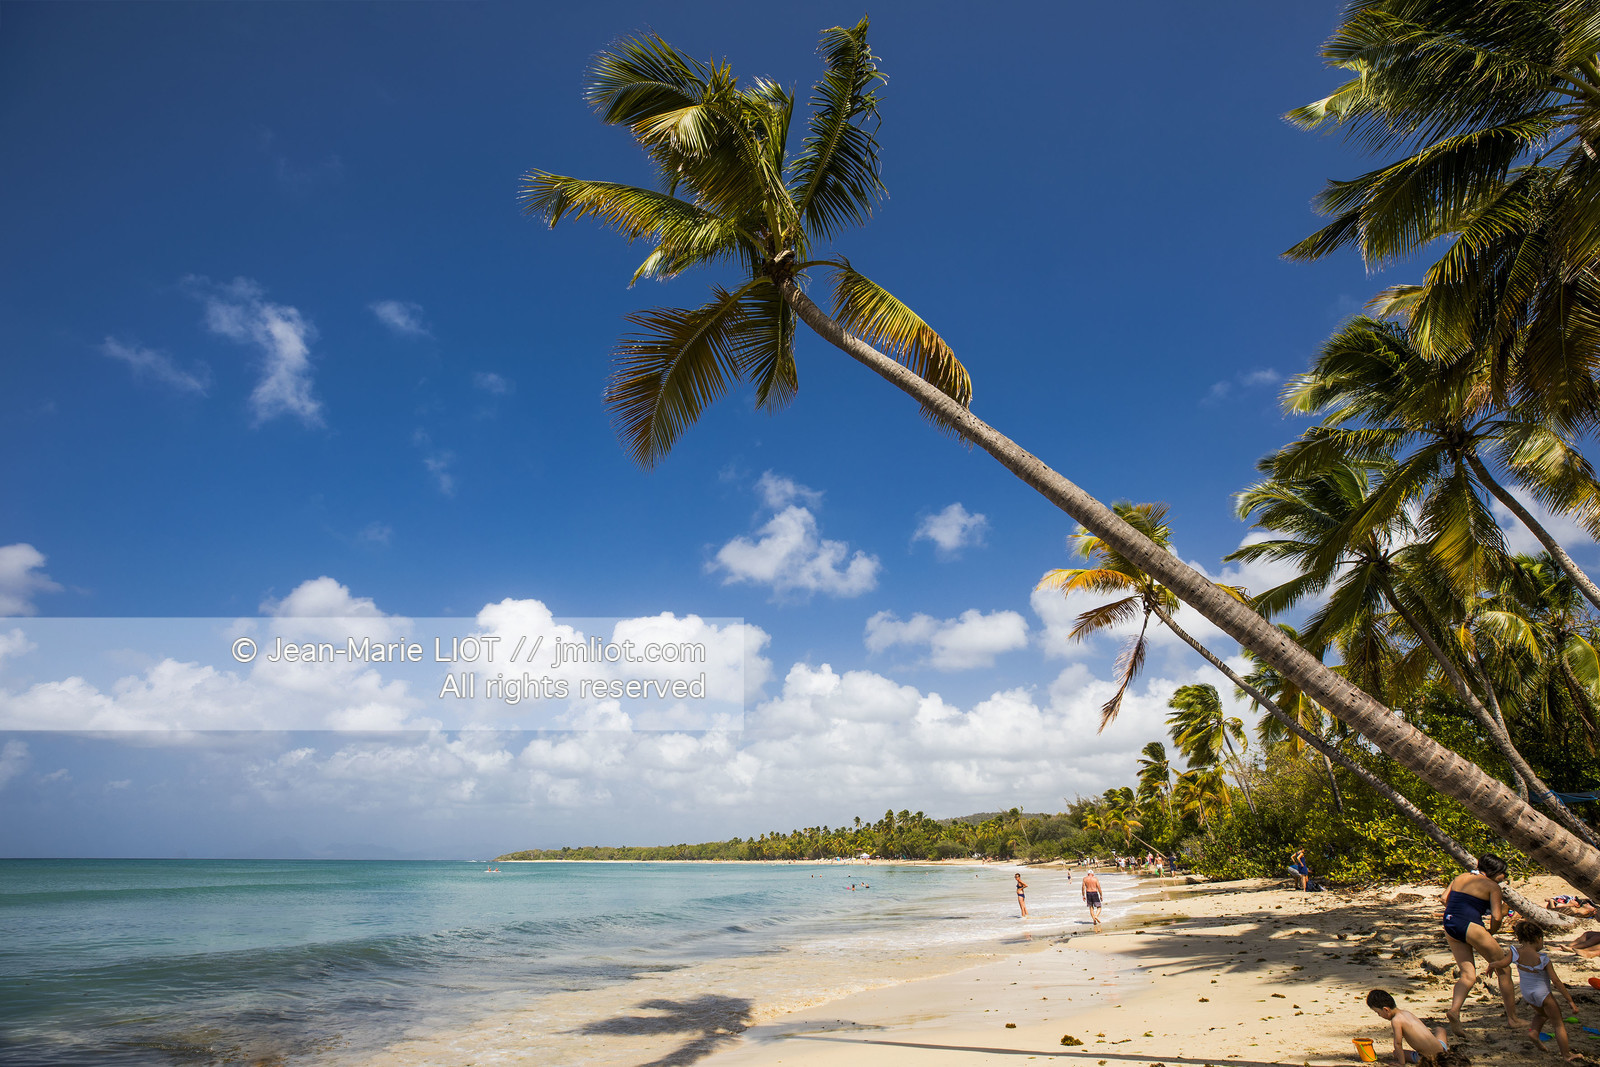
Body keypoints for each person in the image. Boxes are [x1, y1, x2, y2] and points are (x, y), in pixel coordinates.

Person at [1440, 854, 1521, 1034]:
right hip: (1469, 924)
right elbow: (1497, 916)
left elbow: (1444, 898)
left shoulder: (1460, 877)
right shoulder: (1492, 886)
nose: (1505, 877)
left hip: (1450, 923)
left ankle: (1454, 1010)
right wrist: (1492, 931)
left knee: (1468, 974)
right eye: (1503, 873)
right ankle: (1513, 1019)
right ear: (1494, 872)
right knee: (1504, 969)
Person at [1490, 920, 1582, 1060]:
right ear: (1538, 939)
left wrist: (1492, 965)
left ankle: (1534, 1033)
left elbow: (1502, 963)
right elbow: (1556, 982)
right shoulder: (1543, 960)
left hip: (1527, 993)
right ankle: (1567, 1054)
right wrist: (1571, 1002)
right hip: (1543, 993)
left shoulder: (1515, 952)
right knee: (1558, 1024)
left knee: (1542, 1014)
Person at [1366, 989, 1449, 1065]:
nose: (1379, 1015)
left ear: (1386, 1010)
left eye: (1378, 1012)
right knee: (1440, 1029)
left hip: (1428, 1058)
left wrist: (1401, 1063)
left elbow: (1398, 1044)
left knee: (1396, 1053)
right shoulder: (1406, 1013)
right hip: (1442, 1052)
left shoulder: (1396, 1020)